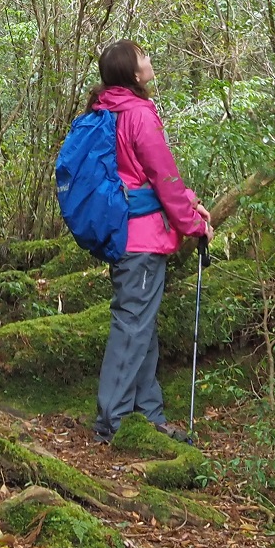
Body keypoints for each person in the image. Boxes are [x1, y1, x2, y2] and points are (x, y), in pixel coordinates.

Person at [88, 39, 209, 444]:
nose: (149, 60)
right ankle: (114, 423)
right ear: (133, 73)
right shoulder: (138, 114)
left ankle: (148, 414)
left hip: (125, 233)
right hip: (140, 238)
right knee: (133, 325)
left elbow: (144, 177)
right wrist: (193, 223)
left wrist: (191, 205)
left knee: (141, 325)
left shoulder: (106, 110)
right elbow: (163, 176)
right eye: (143, 57)